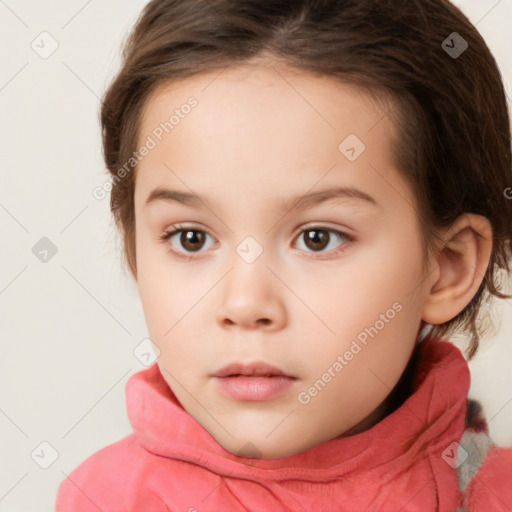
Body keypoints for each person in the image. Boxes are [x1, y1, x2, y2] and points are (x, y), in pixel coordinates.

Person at [55, 0, 512, 510]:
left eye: (318, 238)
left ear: (448, 267)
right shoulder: (100, 499)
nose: (246, 304)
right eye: (191, 238)